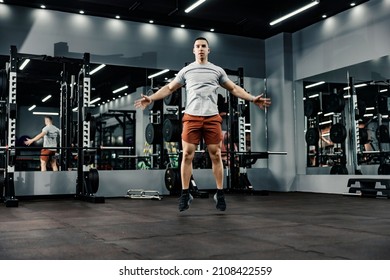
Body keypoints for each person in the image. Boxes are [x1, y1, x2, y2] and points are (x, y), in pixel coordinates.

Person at [134, 37, 271, 212]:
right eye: (197, 46)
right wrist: (151, 97)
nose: (200, 49)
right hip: (191, 117)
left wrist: (252, 99)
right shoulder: (186, 71)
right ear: (193, 50)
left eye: (203, 46)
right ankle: (185, 193)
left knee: (215, 155)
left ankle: (219, 193)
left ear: (208, 50)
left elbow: (234, 89)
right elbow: (169, 89)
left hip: (212, 117)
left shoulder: (217, 70)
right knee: (187, 156)